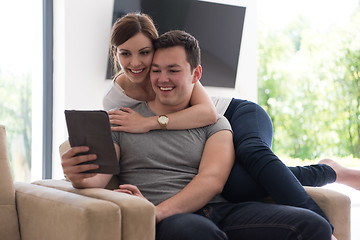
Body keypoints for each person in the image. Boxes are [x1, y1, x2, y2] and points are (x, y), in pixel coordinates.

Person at [62, 30, 333, 239]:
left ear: (196, 74)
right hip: (175, 221)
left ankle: (329, 175)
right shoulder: (124, 119)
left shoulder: (215, 122)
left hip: (216, 210)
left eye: (173, 70)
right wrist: (78, 175)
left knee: (313, 226)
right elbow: (98, 177)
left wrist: (157, 213)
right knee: (196, 233)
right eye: (155, 70)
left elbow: (212, 180)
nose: (162, 78)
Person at [102, 13, 359, 215]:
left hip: (235, 114)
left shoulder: (173, 74)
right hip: (208, 136)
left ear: (155, 49)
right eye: (126, 53)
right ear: (116, 53)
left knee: (253, 154)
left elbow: (208, 113)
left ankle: (327, 221)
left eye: (144, 52)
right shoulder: (114, 99)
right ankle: (327, 169)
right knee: (237, 185)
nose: (136, 63)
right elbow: (109, 144)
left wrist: (148, 123)